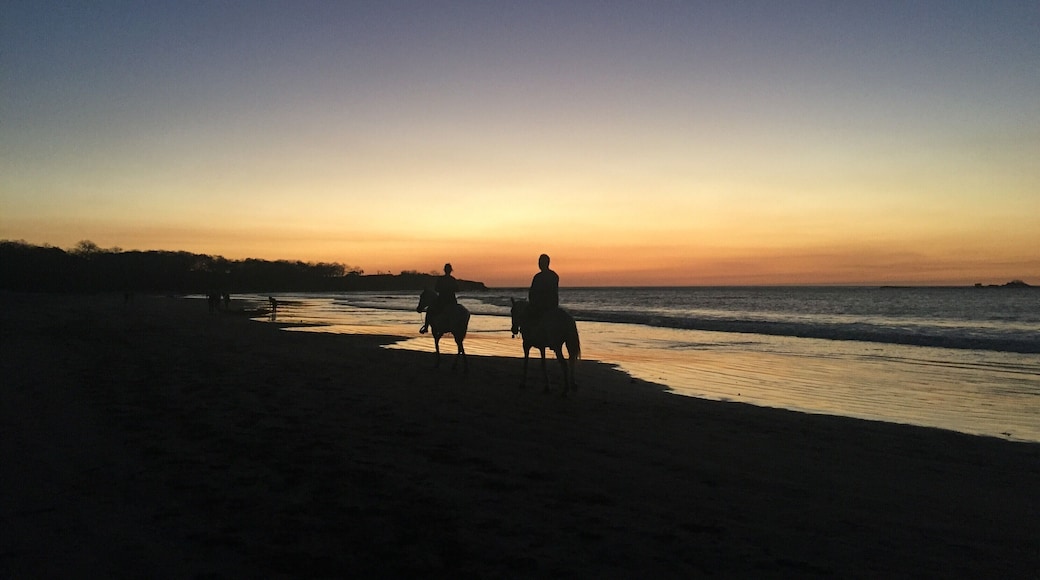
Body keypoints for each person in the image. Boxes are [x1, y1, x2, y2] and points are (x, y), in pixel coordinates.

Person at [421, 263, 459, 334]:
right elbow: (457, 289)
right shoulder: (452, 279)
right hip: (452, 300)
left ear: (444, 270)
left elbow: (436, 289)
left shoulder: (441, 279)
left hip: (442, 299)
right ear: (450, 271)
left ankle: (426, 327)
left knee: (430, 310)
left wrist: (443, 289)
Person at [527, 253, 559, 321]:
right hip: (553, 305)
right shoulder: (554, 275)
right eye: (539, 262)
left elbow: (533, 292)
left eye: (540, 262)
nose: (539, 264)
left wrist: (533, 302)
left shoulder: (538, 277)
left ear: (546, 263)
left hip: (542, 306)